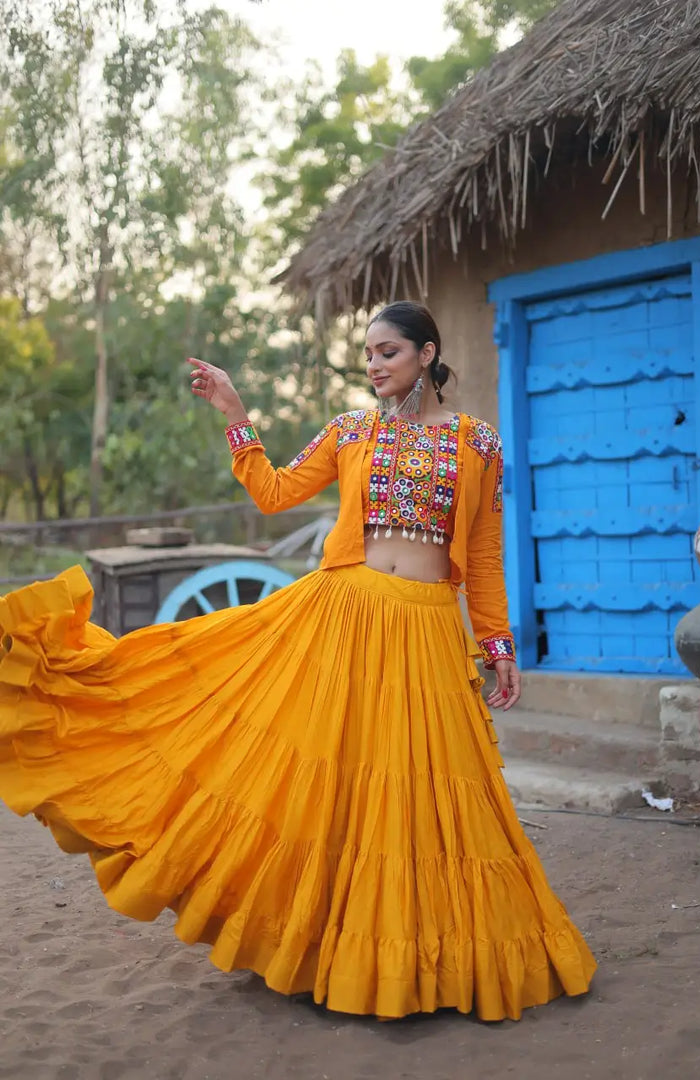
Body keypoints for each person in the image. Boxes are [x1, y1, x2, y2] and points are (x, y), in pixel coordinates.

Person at [0, 301, 595, 1021]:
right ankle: (325, 950)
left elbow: (486, 554)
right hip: (343, 620)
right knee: (333, 786)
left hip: (430, 631)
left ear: (427, 353)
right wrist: (234, 411)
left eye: (387, 351)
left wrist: (497, 645)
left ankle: (426, 957)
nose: (373, 364)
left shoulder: (479, 443)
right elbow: (274, 492)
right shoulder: (350, 431)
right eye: (368, 354)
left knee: (430, 792)